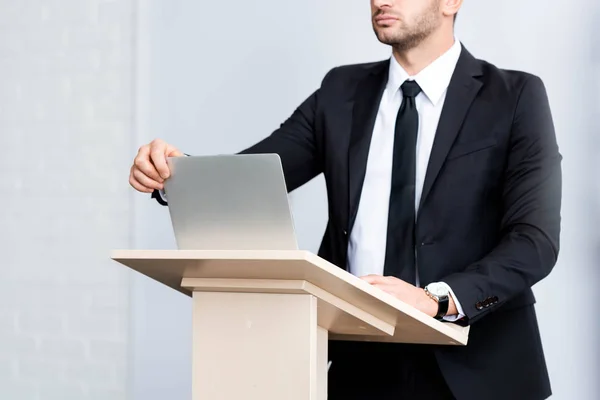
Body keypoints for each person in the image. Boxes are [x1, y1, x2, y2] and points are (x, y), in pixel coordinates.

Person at [129, 0, 562, 398]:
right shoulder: (341, 92)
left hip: (478, 367)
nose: (380, 0)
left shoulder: (514, 96)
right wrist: (175, 173)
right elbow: (252, 177)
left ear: (451, 2)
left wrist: (437, 299)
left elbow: (534, 240)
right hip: (359, 360)